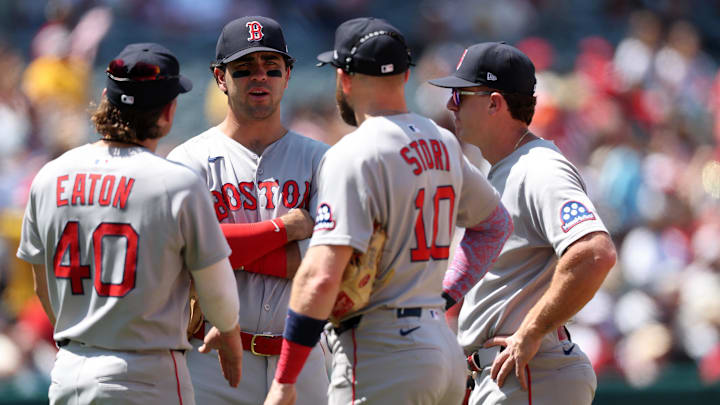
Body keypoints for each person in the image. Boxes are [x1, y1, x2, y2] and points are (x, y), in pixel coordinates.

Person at [264, 17, 513, 405]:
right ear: (404, 76)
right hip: (441, 348)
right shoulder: (443, 141)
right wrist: (443, 294)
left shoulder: (354, 152)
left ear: (344, 78)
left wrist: (284, 380)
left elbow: (320, 276)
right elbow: (496, 225)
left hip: (382, 351)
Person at [15, 42, 244, 405]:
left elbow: (43, 290)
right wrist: (229, 333)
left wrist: (84, 334)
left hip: (70, 371)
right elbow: (219, 300)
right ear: (168, 112)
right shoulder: (177, 184)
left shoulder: (49, 176)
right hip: (145, 375)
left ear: (106, 97)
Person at [428, 42, 618, 405]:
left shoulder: (539, 167)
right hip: (511, 375)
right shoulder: (506, 169)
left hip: (532, 372)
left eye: (460, 94)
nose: (451, 105)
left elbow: (595, 252)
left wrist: (530, 331)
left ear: (494, 103)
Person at [166, 16, 330, 405]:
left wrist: (219, 252)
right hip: (210, 359)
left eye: (272, 68)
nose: (260, 77)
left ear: (288, 74)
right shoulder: (188, 161)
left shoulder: (322, 160)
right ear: (220, 78)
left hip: (302, 358)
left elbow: (324, 264)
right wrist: (284, 230)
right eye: (244, 69)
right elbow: (183, 254)